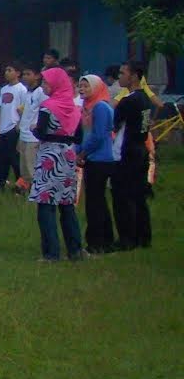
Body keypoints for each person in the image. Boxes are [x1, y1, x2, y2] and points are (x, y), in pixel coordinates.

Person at [29, 67, 84, 262]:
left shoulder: (47, 107)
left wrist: (34, 129)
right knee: (67, 204)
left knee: (46, 205)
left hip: (50, 156)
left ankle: (51, 252)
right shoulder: (74, 109)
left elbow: (42, 133)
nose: (44, 86)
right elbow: (78, 137)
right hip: (68, 155)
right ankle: (75, 249)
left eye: (46, 83)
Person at [111, 60, 158, 250]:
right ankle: (143, 236)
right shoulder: (145, 99)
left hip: (127, 151)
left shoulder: (128, 101)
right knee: (138, 197)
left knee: (123, 197)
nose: (120, 76)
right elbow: (145, 127)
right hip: (140, 150)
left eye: (123, 73)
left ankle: (127, 238)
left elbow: (114, 124)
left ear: (135, 76)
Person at [76, 73, 118, 254]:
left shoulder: (100, 107)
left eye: (87, 86)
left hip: (100, 159)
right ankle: (105, 241)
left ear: (97, 87)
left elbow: (99, 136)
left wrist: (83, 153)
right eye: (81, 86)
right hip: (92, 158)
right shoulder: (87, 106)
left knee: (94, 204)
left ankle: (96, 244)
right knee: (97, 201)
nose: (82, 90)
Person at [0, 64, 27, 192]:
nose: (6, 73)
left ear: (17, 73)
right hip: (2, 129)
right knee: (0, 159)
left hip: (14, 127)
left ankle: (20, 186)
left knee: (15, 159)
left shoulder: (22, 90)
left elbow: (24, 110)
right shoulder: (3, 89)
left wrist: (19, 126)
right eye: (6, 70)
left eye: (10, 70)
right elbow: (1, 110)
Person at [18, 66, 45, 189]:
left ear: (37, 76)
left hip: (33, 137)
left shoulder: (41, 92)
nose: (25, 77)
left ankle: (37, 195)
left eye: (28, 74)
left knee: (32, 169)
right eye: (24, 74)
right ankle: (28, 194)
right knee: (24, 170)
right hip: (23, 134)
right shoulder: (26, 92)